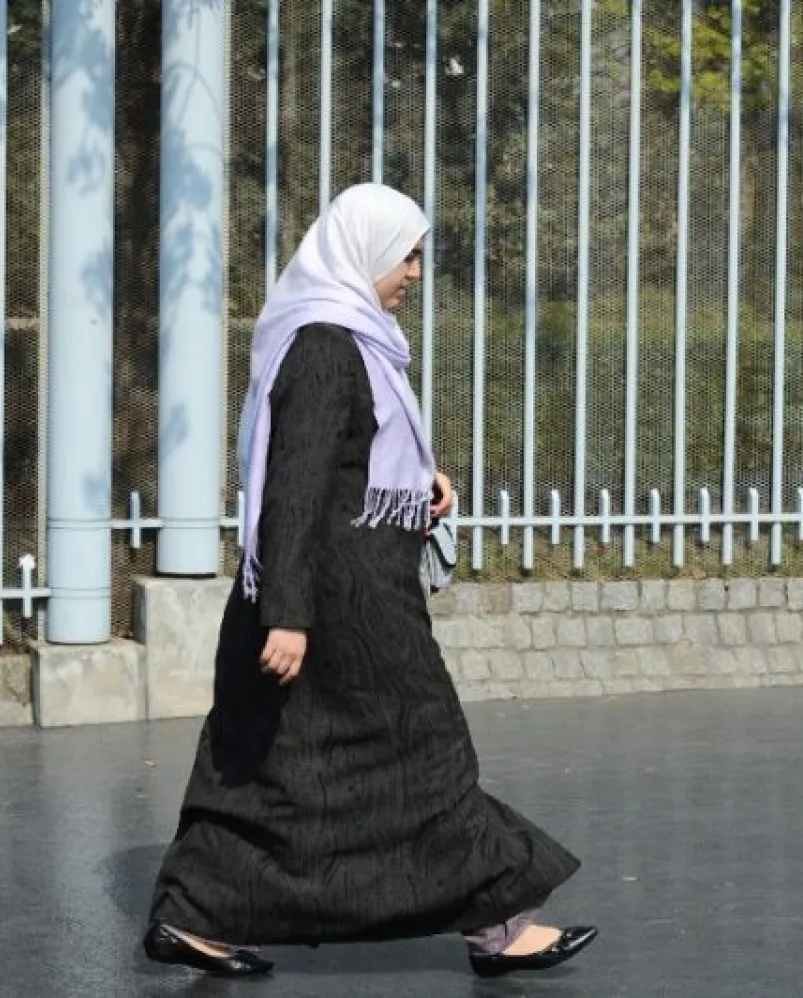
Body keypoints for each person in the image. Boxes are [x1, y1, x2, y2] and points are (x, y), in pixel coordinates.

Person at [142, 183, 596, 980]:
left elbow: (351, 467)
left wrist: (421, 485)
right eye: (406, 253)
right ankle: (498, 923)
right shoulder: (325, 344)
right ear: (362, 252)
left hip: (338, 594)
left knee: (266, 762)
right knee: (430, 750)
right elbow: (293, 486)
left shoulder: (359, 339)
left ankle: (193, 915)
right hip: (340, 607)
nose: (416, 271)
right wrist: (287, 613)